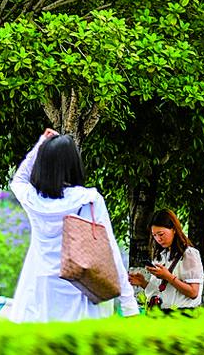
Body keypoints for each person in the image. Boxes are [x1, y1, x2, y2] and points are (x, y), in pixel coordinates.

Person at [8, 128, 138, 322]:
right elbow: (110, 250)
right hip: (78, 288)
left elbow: (18, 179)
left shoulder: (33, 200)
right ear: (74, 164)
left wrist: (40, 143)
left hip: (39, 291)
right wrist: (129, 305)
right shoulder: (89, 199)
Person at [128, 208, 203, 313]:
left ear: (174, 229)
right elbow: (162, 291)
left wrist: (167, 276)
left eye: (161, 234)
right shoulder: (161, 256)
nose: (158, 239)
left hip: (182, 316)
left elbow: (193, 292)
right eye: (154, 235)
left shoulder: (189, 254)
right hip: (161, 314)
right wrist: (143, 283)